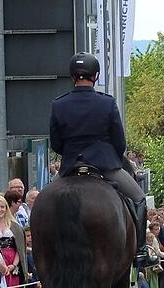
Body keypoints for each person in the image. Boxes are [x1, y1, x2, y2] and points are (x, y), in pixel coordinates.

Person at [49, 53, 149, 263]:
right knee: (139, 199)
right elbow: (119, 141)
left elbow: (56, 143)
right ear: (95, 76)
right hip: (105, 165)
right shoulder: (107, 103)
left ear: (72, 76)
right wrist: (112, 157)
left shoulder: (59, 104)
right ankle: (141, 251)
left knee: (43, 201)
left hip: (70, 166)